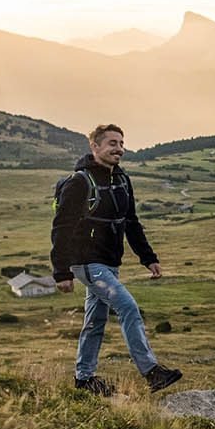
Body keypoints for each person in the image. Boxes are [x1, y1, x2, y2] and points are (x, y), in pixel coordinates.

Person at [51, 124, 182, 396]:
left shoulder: (122, 180)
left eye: (121, 143)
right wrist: (61, 271)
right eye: (112, 143)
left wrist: (148, 257)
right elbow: (61, 227)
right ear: (95, 147)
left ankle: (84, 379)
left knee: (95, 320)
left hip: (110, 262)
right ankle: (152, 372)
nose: (118, 149)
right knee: (128, 307)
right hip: (87, 262)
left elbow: (131, 222)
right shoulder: (79, 182)